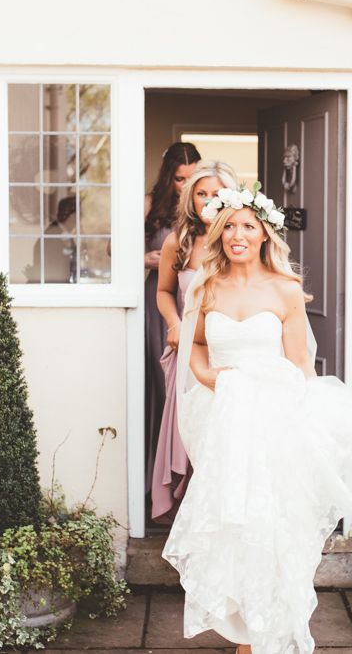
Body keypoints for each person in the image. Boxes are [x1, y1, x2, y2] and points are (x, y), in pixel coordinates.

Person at [162, 185, 352, 654]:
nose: (238, 235)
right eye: (230, 227)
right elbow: (196, 345)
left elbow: (300, 367)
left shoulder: (285, 290)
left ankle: (266, 635)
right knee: (234, 529)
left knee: (274, 528)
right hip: (224, 424)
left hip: (274, 426)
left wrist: (310, 429)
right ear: (218, 233)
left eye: (248, 226)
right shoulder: (205, 287)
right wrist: (210, 378)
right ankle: (247, 634)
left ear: (265, 234)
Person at [151, 160, 239, 524]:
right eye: (200, 193)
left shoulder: (239, 238)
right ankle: (188, 515)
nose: (207, 200)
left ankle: (220, 512)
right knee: (188, 431)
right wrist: (173, 322)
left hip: (228, 350)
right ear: (189, 197)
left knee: (225, 433)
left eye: (216, 194)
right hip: (187, 349)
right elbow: (163, 292)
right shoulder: (179, 241)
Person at [144, 142, 200, 497]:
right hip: (161, 301)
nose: (186, 186)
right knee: (164, 385)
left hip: (196, 299)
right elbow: (112, 249)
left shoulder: (205, 210)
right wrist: (148, 259)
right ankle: (163, 481)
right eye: (180, 179)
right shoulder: (151, 204)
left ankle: (188, 481)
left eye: (192, 178)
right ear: (169, 177)